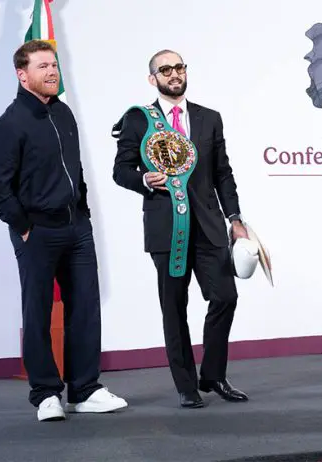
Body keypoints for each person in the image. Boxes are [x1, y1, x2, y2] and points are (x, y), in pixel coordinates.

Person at [0, 40, 127, 422]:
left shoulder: (63, 114)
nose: (51, 72)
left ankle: (84, 389)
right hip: (37, 231)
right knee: (38, 312)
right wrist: (24, 226)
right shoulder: (9, 124)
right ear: (22, 74)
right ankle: (46, 393)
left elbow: (74, 171)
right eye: (43, 66)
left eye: (54, 66)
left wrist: (83, 213)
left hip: (76, 228)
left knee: (85, 309)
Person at [112, 49, 249, 408]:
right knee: (174, 308)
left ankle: (214, 375)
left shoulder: (209, 118)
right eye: (165, 69)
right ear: (152, 78)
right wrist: (143, 178)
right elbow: (120, 169)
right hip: (166, 229)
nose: (174, 74)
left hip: (208, 227)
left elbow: (223, 172)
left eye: (179, 67)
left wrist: (235, 219)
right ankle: (186, 386)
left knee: (225, 298)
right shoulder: (139, 120)